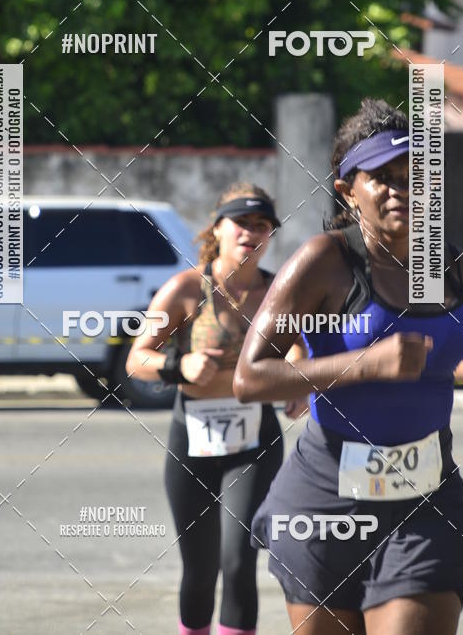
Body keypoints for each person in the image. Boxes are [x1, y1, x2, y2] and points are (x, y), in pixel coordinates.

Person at [233, 98, 463, 635]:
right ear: (347, 189)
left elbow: (438, 362)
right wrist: (365, 363)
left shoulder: (460, 271)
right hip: (326, 498)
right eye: (382, 177)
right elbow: (251, 377)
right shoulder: (326, 262)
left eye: (413, 176)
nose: (401, 189)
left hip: (426, 496)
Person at [126, 183, 305, 635]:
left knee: (239, 558)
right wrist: (178, 365)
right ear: (218, 229)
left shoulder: (279, 291)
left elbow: (300, 349)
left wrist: (299, 384)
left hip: (255, 439)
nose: (252, 232)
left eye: (262, 226)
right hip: (193, 436)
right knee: (200, 567)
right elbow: (136, 359)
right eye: (242, 223)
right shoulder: (187, 288)